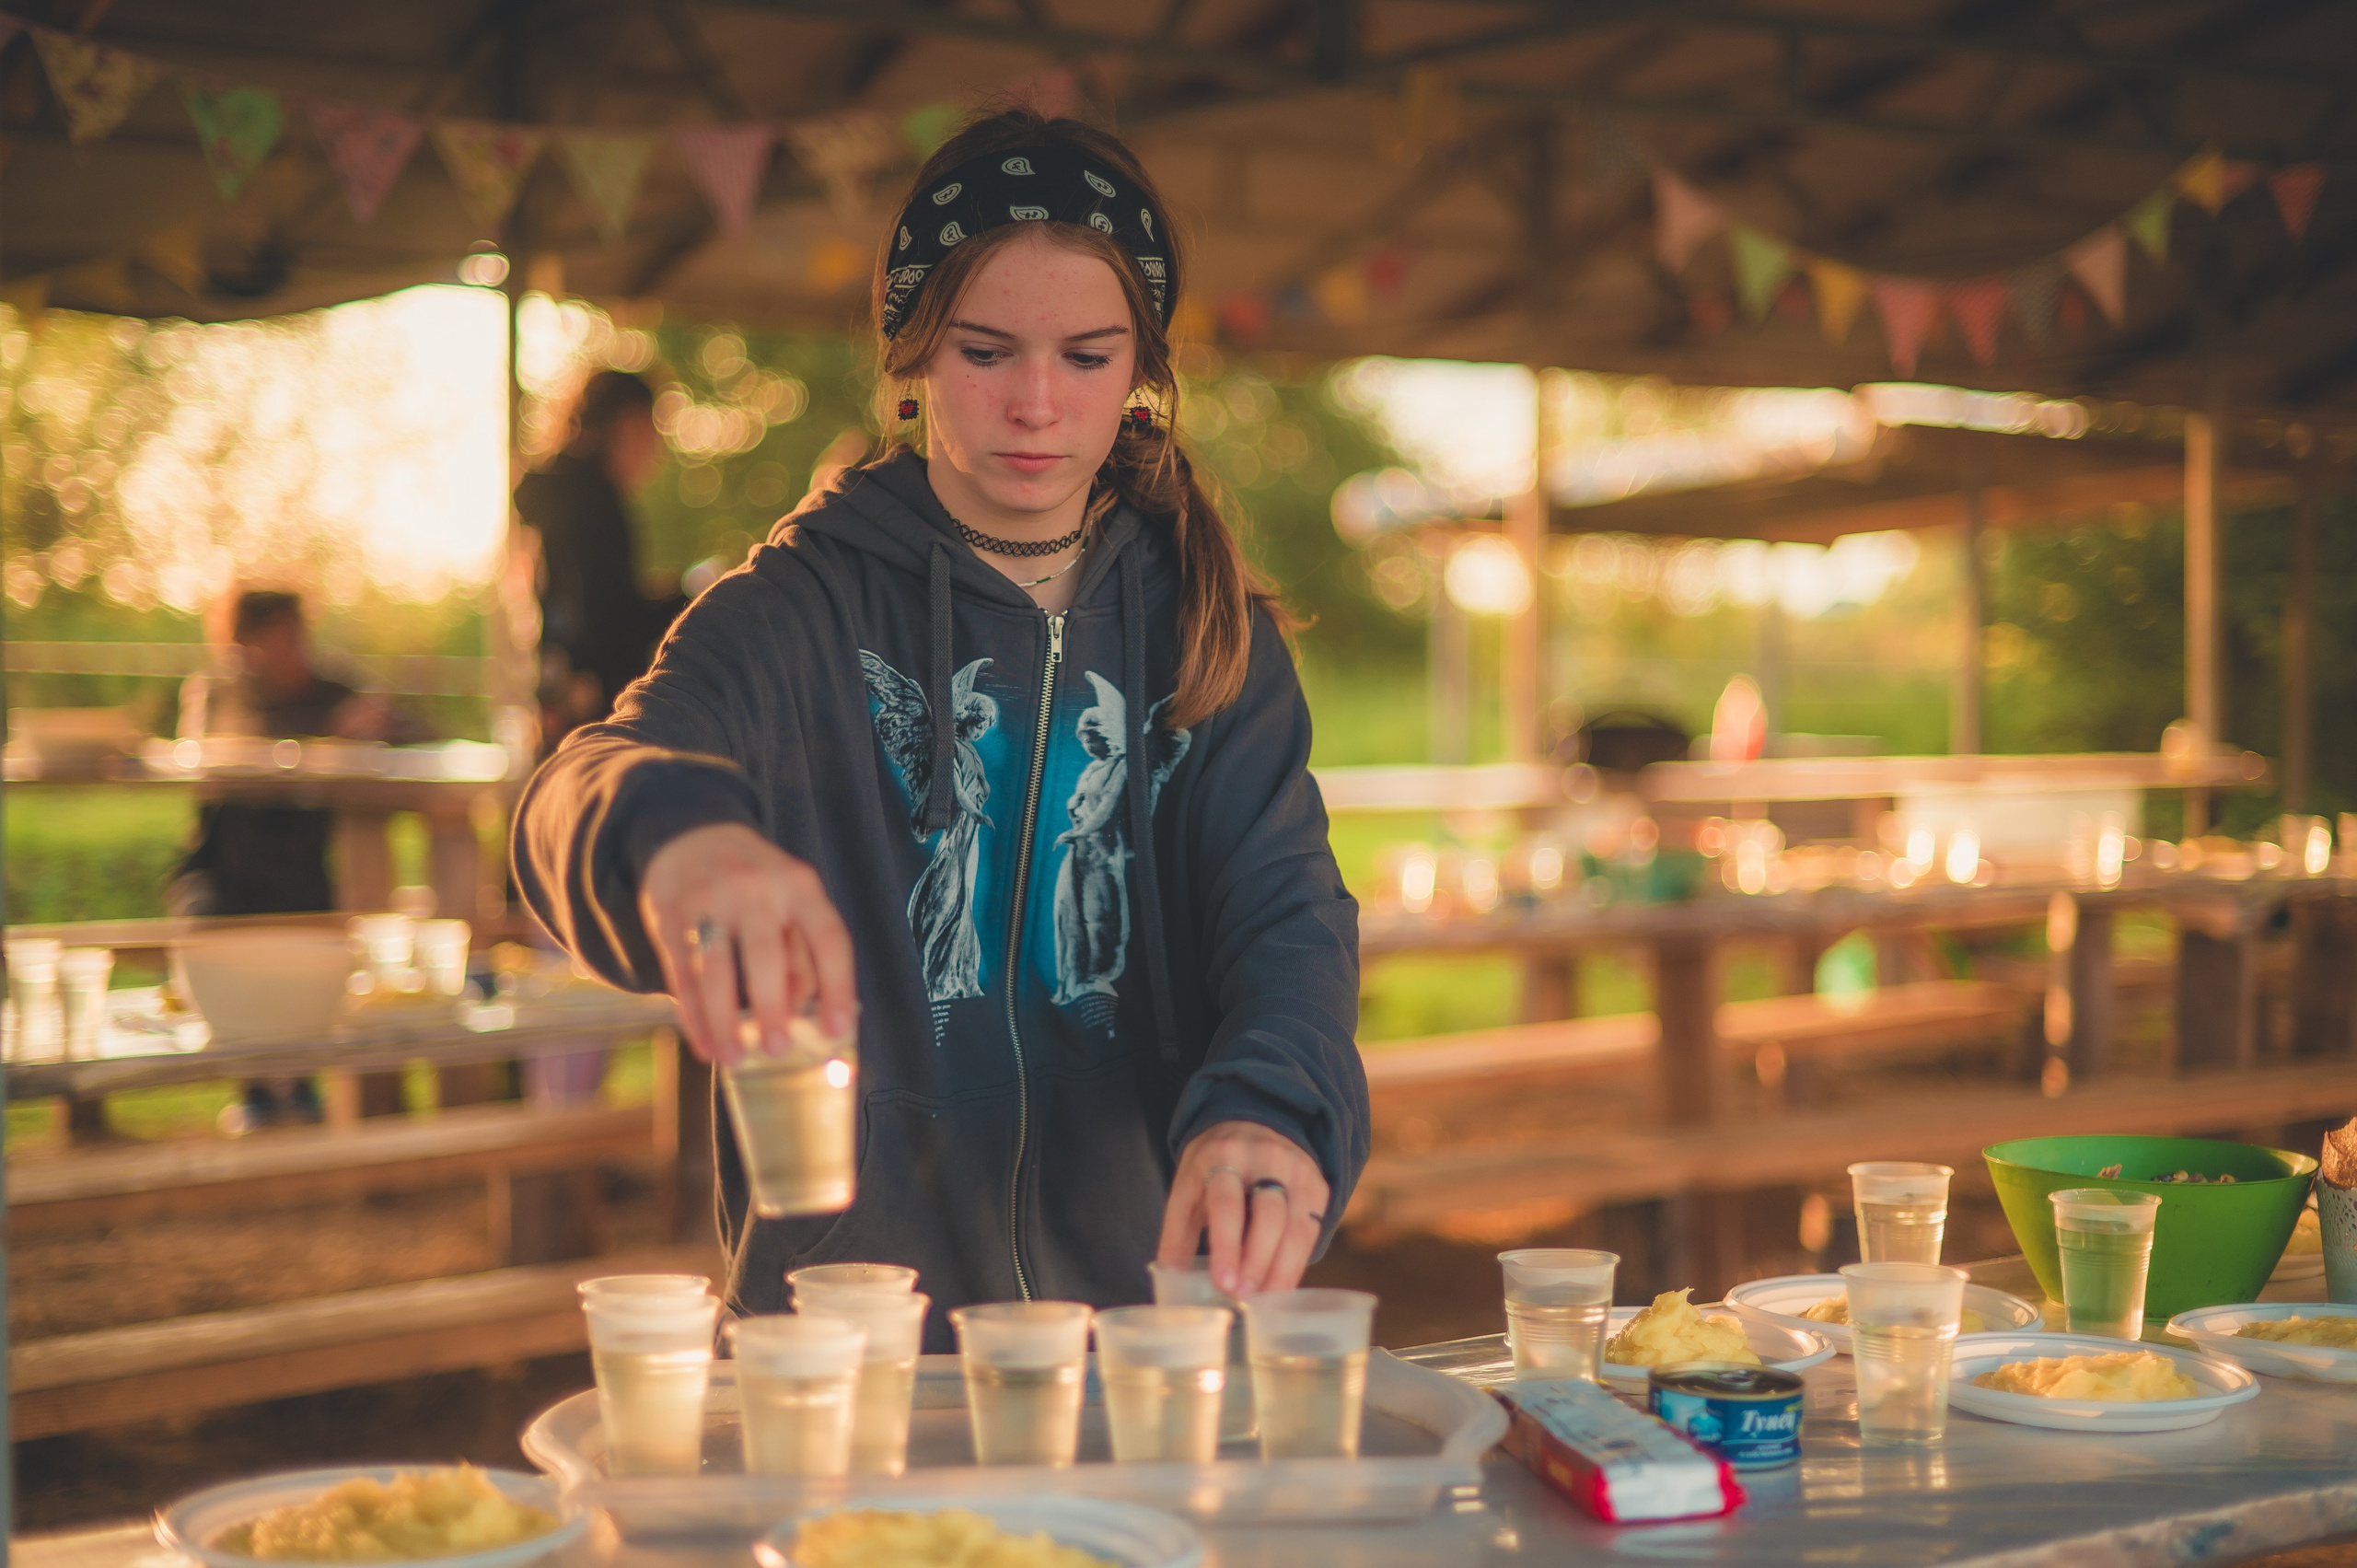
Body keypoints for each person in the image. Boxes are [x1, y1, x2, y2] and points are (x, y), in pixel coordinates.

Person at [513, 110, 1367, 1345]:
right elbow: (571, 789)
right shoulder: (796, 605)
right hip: (851, 1355)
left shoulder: (1208, 629)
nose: (1034, 403)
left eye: (1085, 355)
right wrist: (680, 840)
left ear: (1141, 371)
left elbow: (1289, 918)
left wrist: (1270, 1108)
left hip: (1143, 1349)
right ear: (911, 354)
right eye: (984, 350)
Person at [171, 588, 413, 1130]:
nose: (287, 648)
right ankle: (256, 1084)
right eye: (272, 637)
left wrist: (380, 725)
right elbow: (228, 753)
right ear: (243, 642)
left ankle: (302, 1083)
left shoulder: (334, 688)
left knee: (320, 929)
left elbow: (414, 730)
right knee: (212, 929)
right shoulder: (220, 691)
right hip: (226, 863)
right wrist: (330, 740)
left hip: (308, 865)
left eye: (293, 634)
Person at [516, 370, 684, 748]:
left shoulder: (556, 498)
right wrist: (689, 601)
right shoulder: (595, 503)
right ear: (628, 423)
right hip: (603, 712)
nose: (657, 447)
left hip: (561, 699)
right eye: (653, 427)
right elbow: (609, 618)